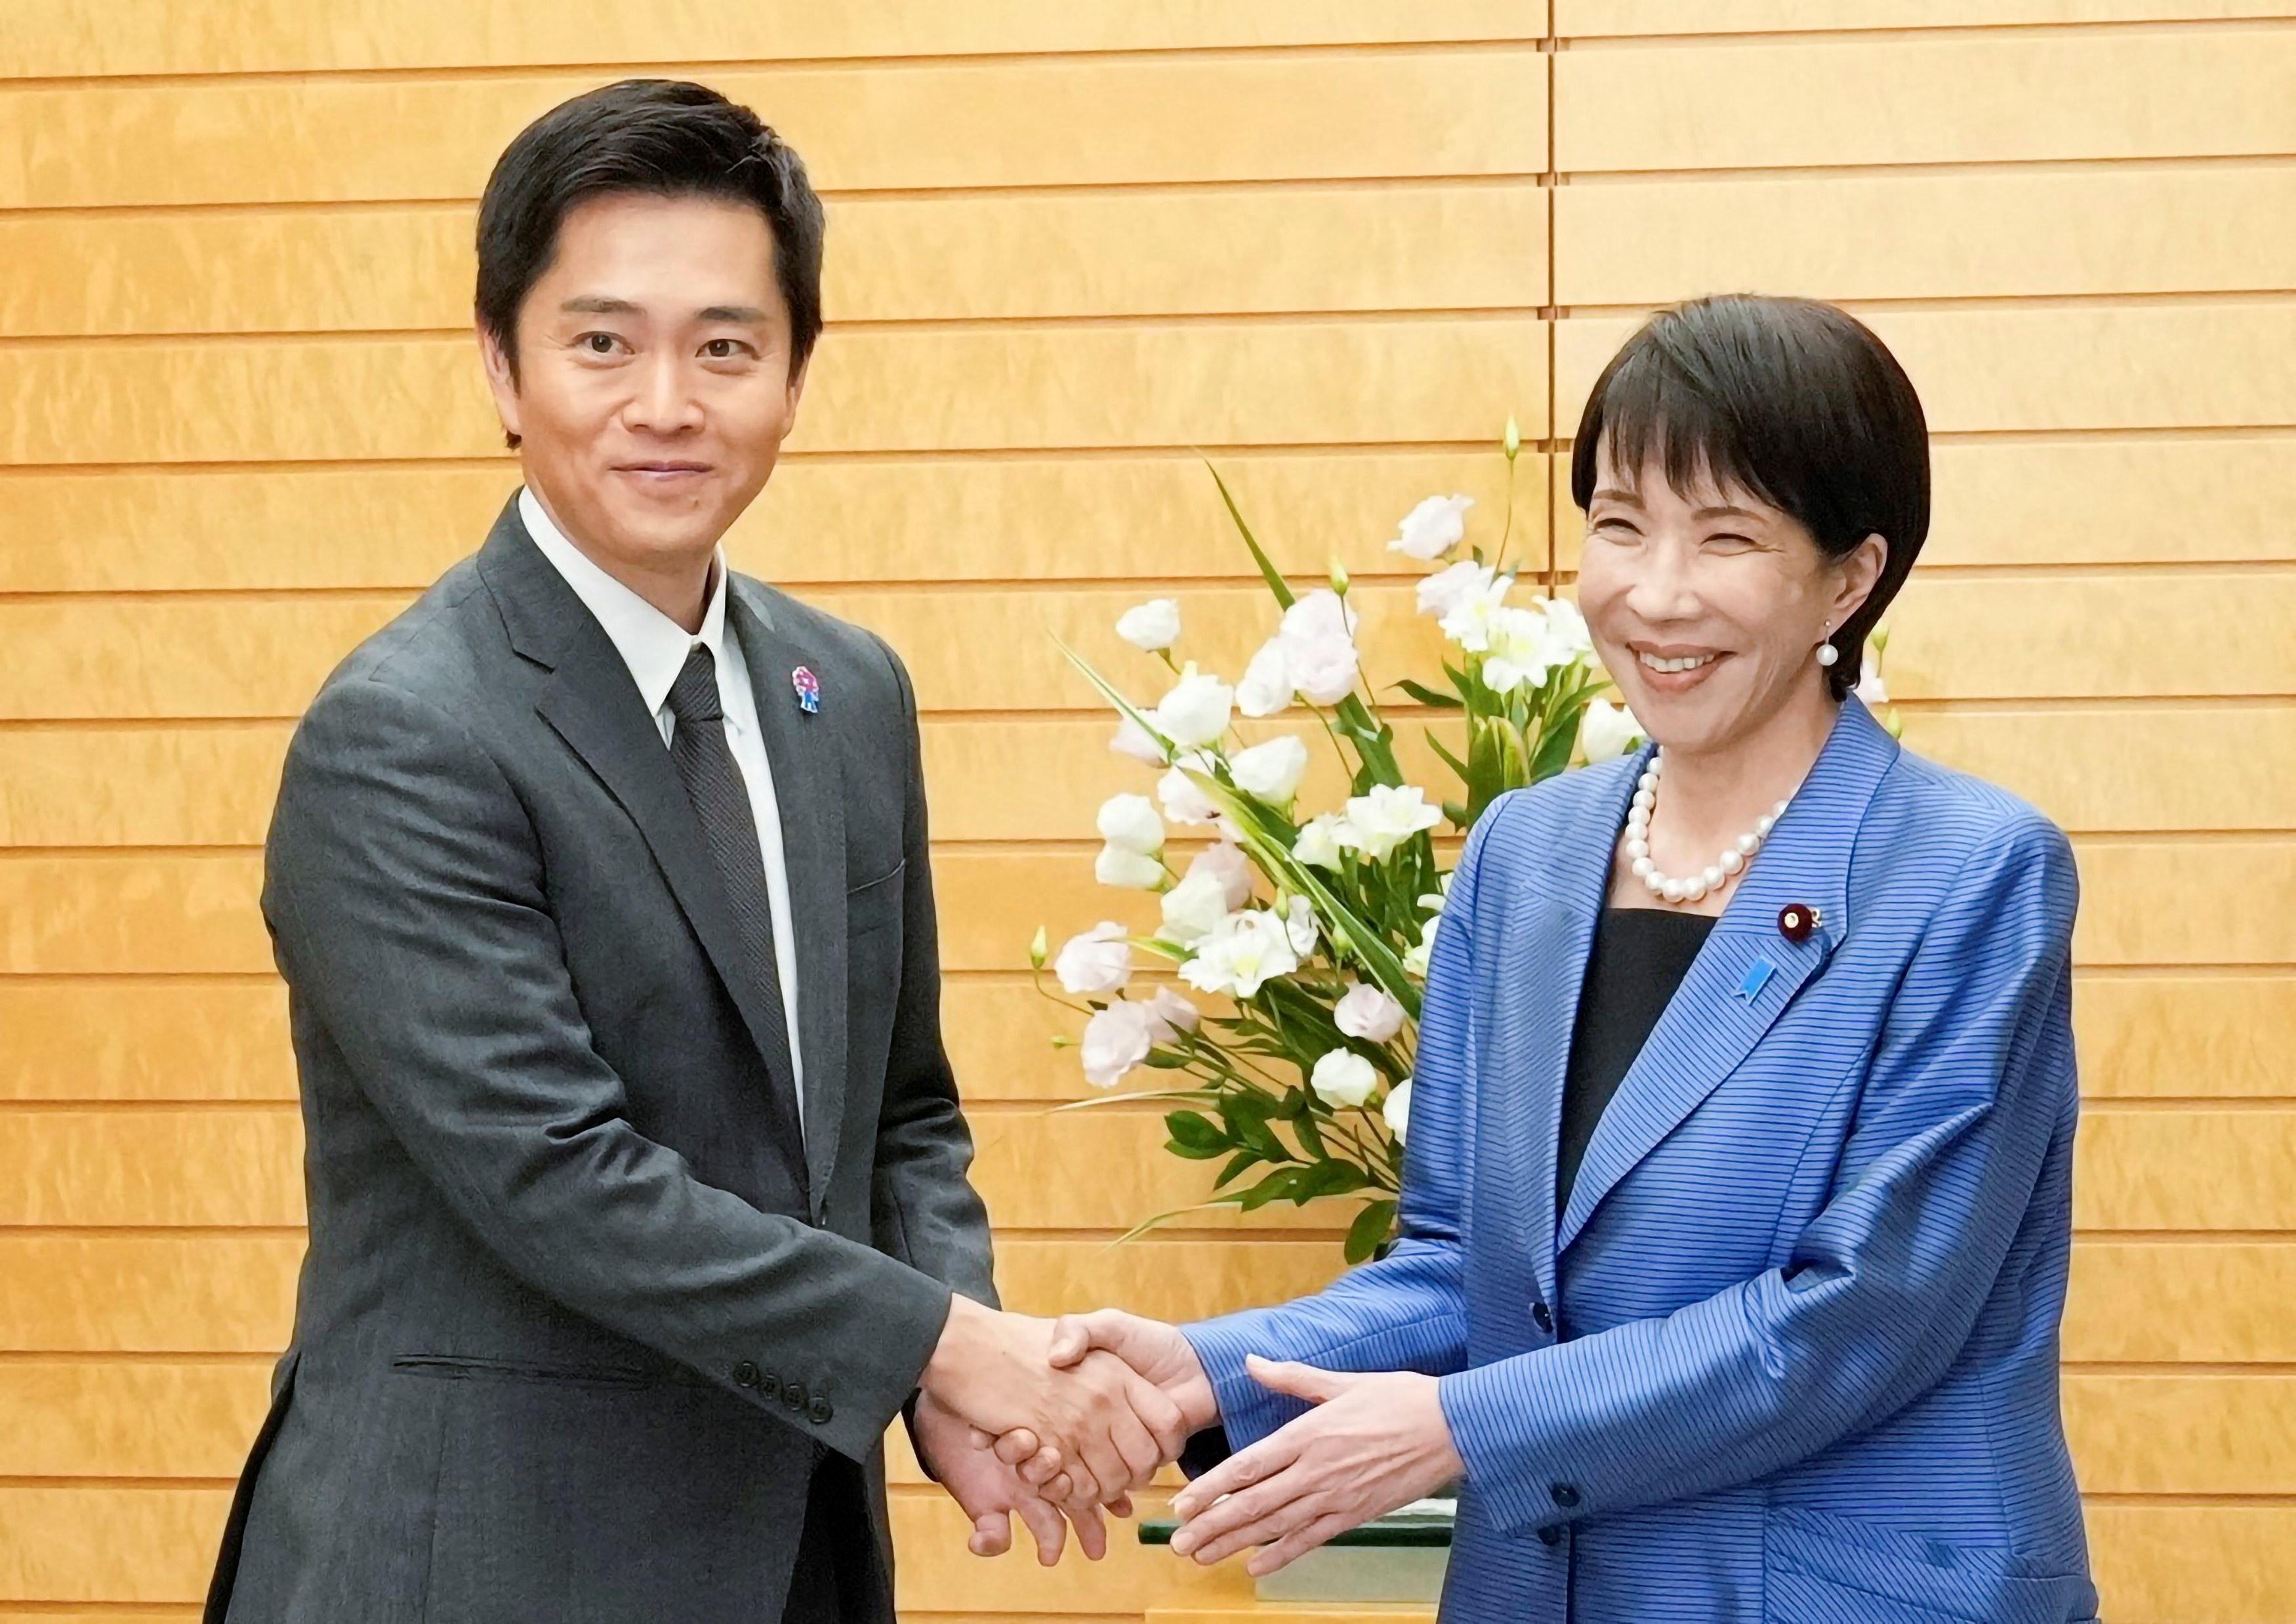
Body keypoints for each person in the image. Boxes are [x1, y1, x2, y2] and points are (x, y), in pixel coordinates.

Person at [203, 79, 1178, 1624]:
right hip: (478, 1561)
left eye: (725, 345)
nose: (667, 401)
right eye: (603, 342)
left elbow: (898, 1117)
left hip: (793, 1551)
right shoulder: (404, 729)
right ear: (500, 367)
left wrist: (962, 1370)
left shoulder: (845, 691)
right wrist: (937, 1342)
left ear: (795, 377)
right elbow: (557, 1176)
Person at [1031, 295, 2102, 1623]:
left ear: (1849, 576)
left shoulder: (1968, 870)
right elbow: (1456, 1269)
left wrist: (1464, 1430)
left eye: (1726, 536)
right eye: (1617, 522)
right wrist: (1205, 1368)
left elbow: (1860, 1315)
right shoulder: (1521, 855)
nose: (1653, 591)